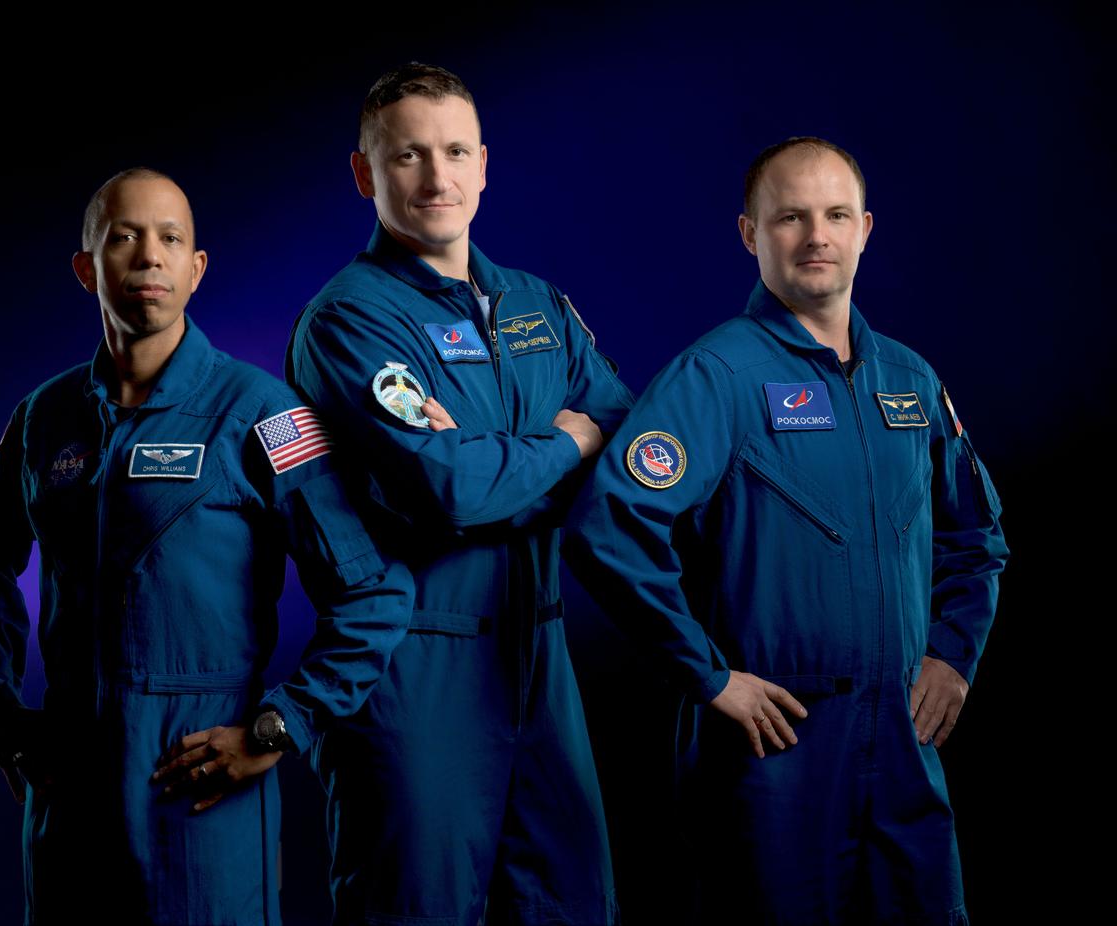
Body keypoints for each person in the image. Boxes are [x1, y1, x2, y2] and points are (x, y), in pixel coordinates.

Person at [0, 168, 413, 925]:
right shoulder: (47, 418)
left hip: (198, 777)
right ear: (87, 268)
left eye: (170, 239)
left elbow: (372, 591)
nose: (148, 257)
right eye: (124, 238)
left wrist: (278, 725)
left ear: (196, 269)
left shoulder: (262, 413)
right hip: (72, 783)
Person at [564, 137, 1009, 925]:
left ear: (866, 229)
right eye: (792, 217)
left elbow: (977, 538)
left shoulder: (909, 380)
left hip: (903, 749)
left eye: (837, 215)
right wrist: (707, 676)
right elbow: (609, 527)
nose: (817, 236)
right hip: (777, 754)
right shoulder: (716, 378)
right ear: (751, 233)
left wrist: (952, 654)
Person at [285, 64, 634, 925]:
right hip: (416, 666)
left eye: (453, 152)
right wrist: (564, 437)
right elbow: (451, 491)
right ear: (366, 174)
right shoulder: (350, 320)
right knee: (416, 905)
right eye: (407, 155)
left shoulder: (535, 303)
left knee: (573, 903)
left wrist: (502, 459)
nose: (436, 178)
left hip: (540, 659)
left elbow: (620, 427)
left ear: (484, 164)